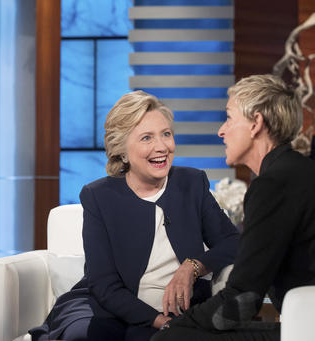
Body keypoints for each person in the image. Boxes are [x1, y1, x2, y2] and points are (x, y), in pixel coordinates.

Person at [30, 90, 240, 341]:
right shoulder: (98, 196)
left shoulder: (192, 183)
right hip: (113, 309)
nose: (161, 147)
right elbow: (104, 286)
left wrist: (192, 266)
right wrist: (161, 323)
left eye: (166, 134)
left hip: (181, 309)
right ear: (122, 151)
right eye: (146, 138)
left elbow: (233, 242)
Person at [152, 74, 315, 341]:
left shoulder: (273, 184)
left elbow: (242, 300)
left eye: (229, 118)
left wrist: (182, 324)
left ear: (256, 124)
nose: (221, 130)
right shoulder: (298, 171)